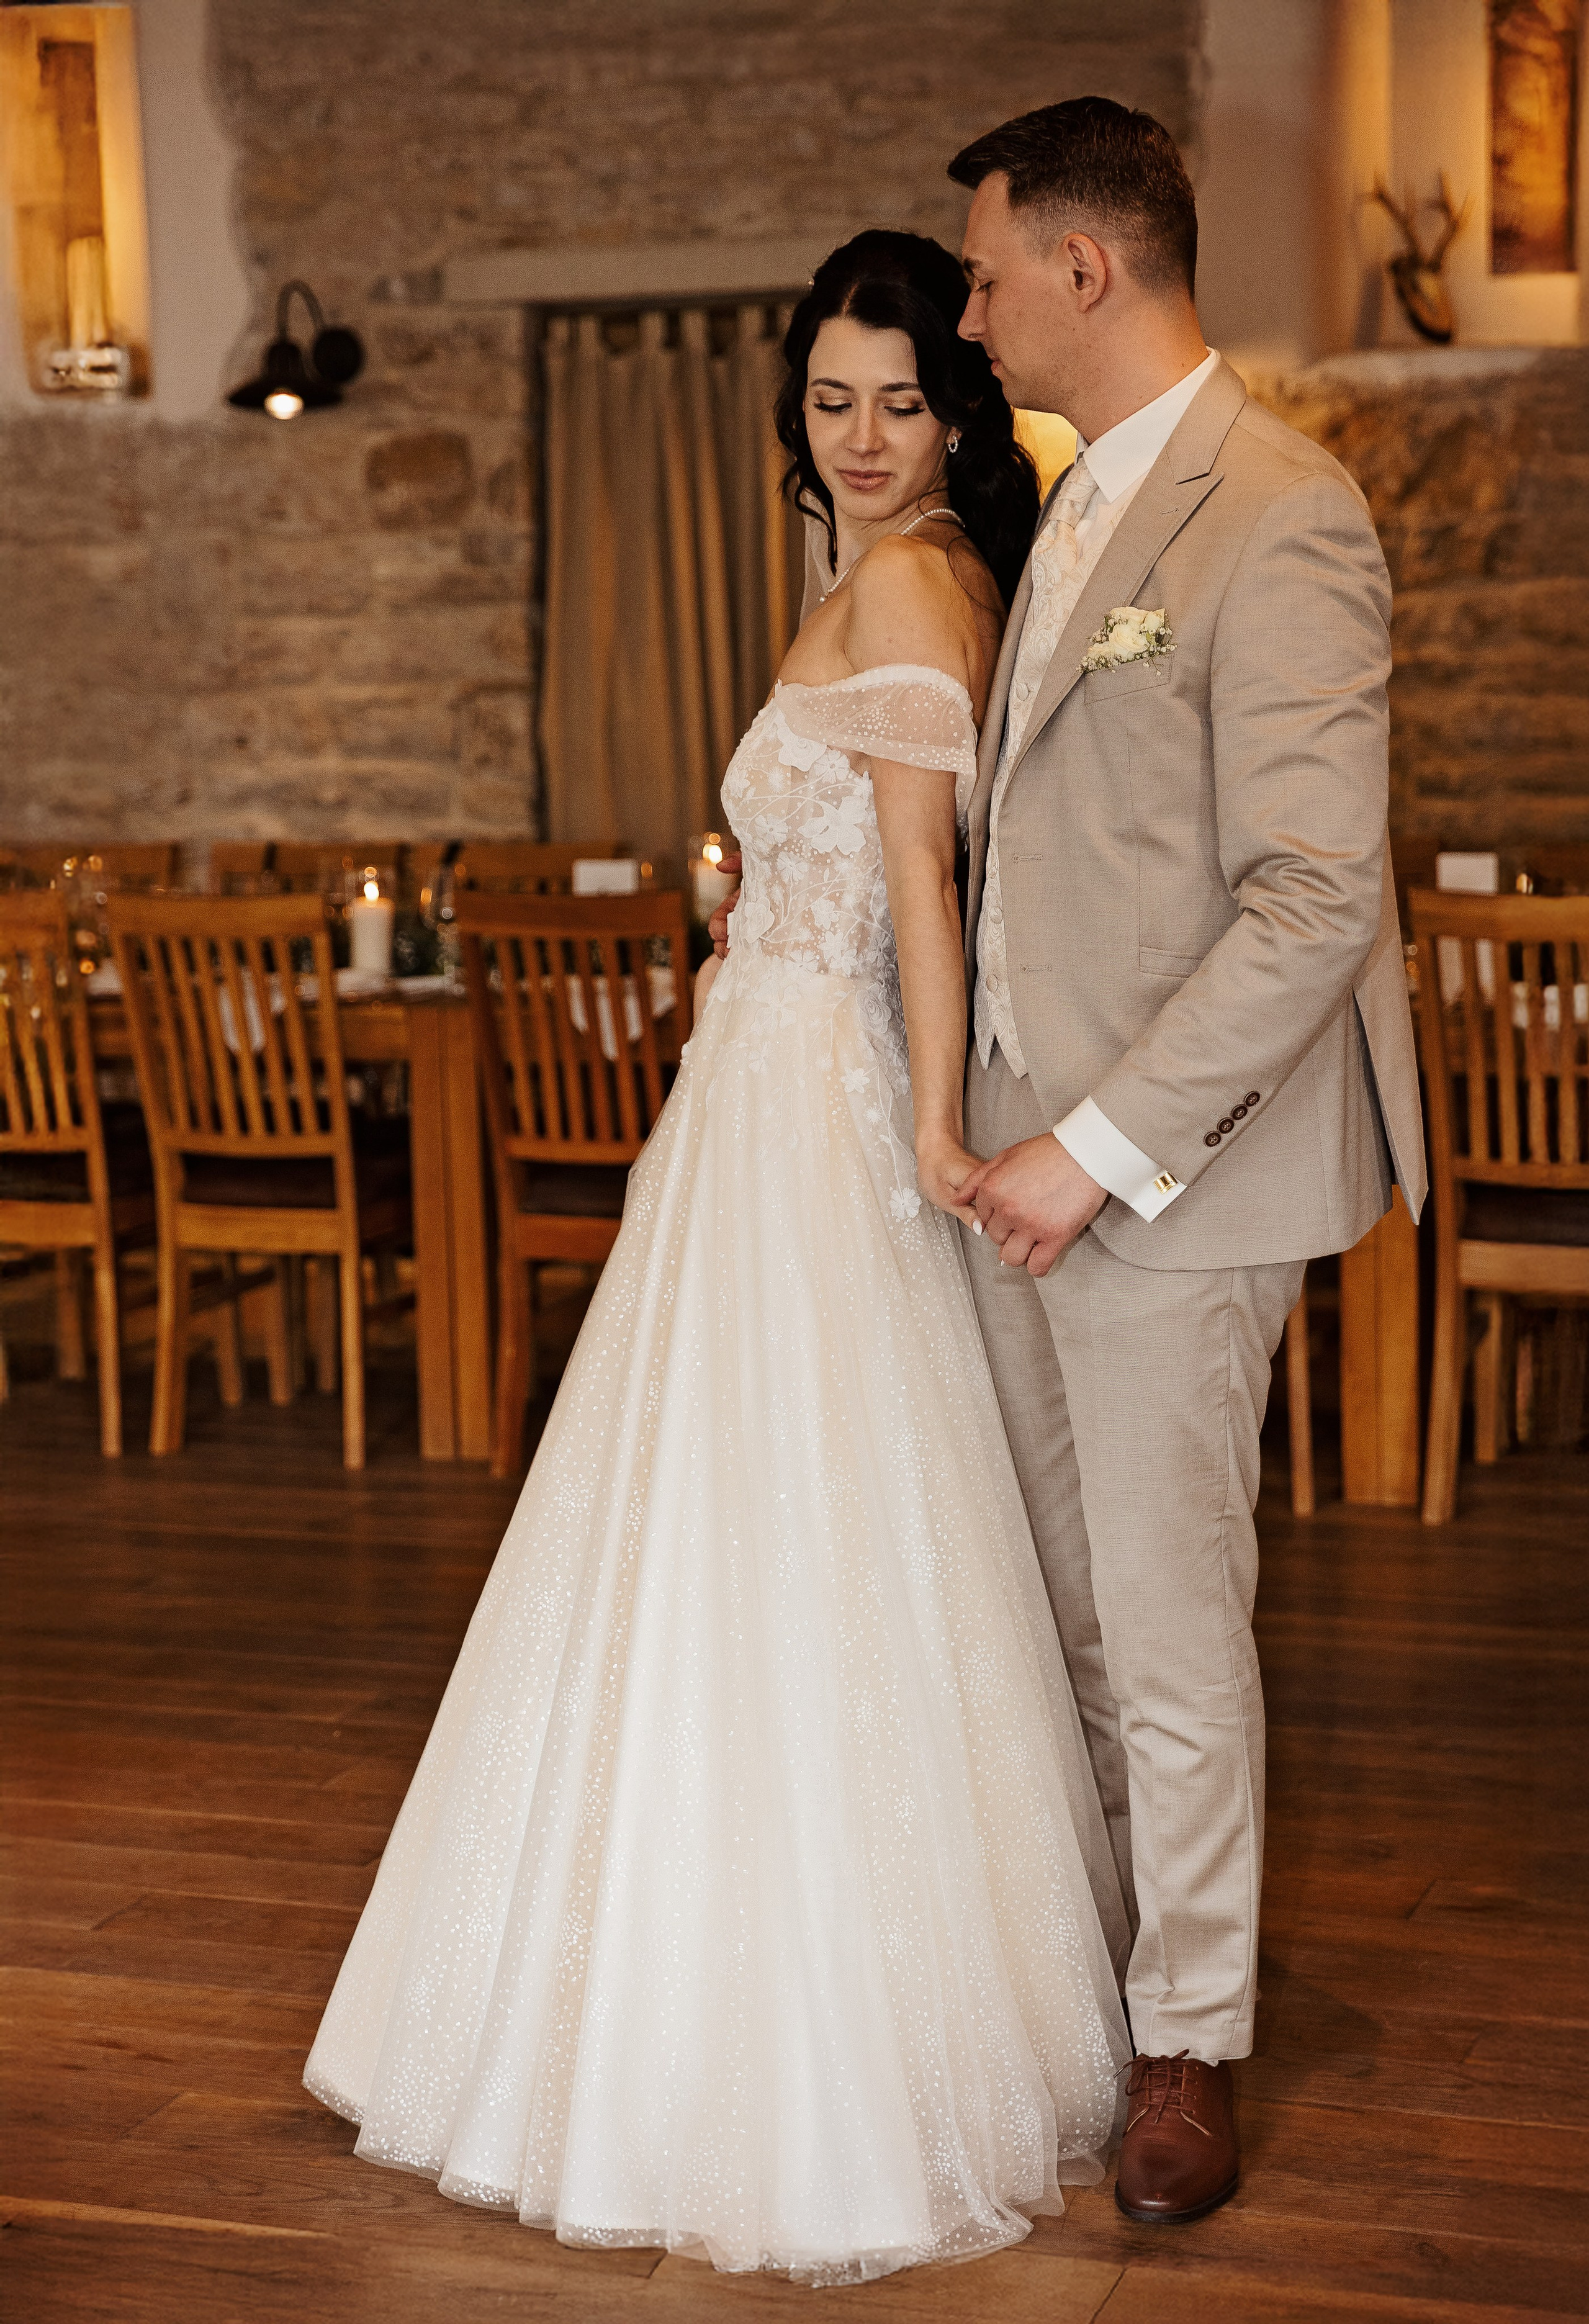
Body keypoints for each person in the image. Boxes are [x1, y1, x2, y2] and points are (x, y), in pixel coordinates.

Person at [304, 228, 1132, 2286]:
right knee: (705, 1524)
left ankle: (780, 2025)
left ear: (958, 407)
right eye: (832, 401)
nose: (862, 437)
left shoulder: (926, 577)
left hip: (818, 1106)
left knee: (795, 1527)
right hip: (748, 1088)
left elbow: (925, 897)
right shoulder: (880, 576)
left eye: (901, 399)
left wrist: (936, 1125)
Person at [937, 98, 1425, 2223]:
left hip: (1168, 1179)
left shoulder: (1281, 510)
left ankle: (1190, 2040)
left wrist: (1094, 1149)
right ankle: (1097, 1970)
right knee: (1055, 1615)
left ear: (1084, 266)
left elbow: (1317, 901)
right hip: (1015, 1187)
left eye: (980, 273)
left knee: (1168, 1624)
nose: (967, 314)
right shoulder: (1063, 512)